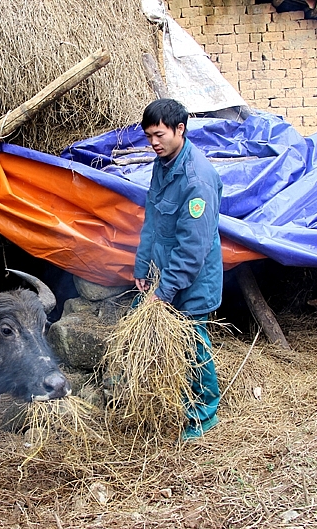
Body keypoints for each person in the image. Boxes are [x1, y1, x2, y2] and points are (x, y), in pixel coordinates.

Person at [133, 98, 223, 442]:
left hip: (193, 281)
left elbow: (192, 249)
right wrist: (142, 265)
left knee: (193, 345)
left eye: (159, 135)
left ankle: (204, 412)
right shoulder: (163, 163)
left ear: (179, 129)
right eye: (148, 136)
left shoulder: (196, 179)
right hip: (164, 273)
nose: (153, 143)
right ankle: (174, 398)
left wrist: (163, 292)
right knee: (171, 343)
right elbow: (153, 220)